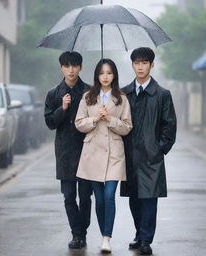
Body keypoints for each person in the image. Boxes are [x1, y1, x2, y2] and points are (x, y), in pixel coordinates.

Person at [121, 47, 177, 255]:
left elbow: (169, 125)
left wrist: (159, 148)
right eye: (137, 62)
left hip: (151, 155)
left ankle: (146, 238)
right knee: (134, 197)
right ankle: (138, 233)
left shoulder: (162, 94)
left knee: (149, 197)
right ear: (133, 65)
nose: (141, 66)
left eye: (145, 62)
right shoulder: (124, 93)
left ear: (152, 65)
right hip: (129, 155)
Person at [75, 58, 132, 253]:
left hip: (114, 154)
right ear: (96, 75)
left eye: (109, 72)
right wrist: (95, 118)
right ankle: (103, 236)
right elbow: (79, 123)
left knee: (109, 196)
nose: (105, 76)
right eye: (101, 73)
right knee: (98, 200)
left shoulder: (122, 98)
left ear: (114, 75)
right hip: (92, 155)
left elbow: (127, 127)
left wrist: (110, 119)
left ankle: (107, 237)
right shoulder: (88, 97)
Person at [44, 51, 92, 249]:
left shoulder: (90, 92)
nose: (71, 70)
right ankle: (77, 233)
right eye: (67, 65)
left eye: (74, 65)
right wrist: (62, 108)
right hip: (65, 153)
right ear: (61, 68)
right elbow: (50, 123)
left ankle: (82, 230)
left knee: (86, 196)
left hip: (87, 151)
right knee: (69, 196)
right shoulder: (54, 94)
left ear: (80, 67)